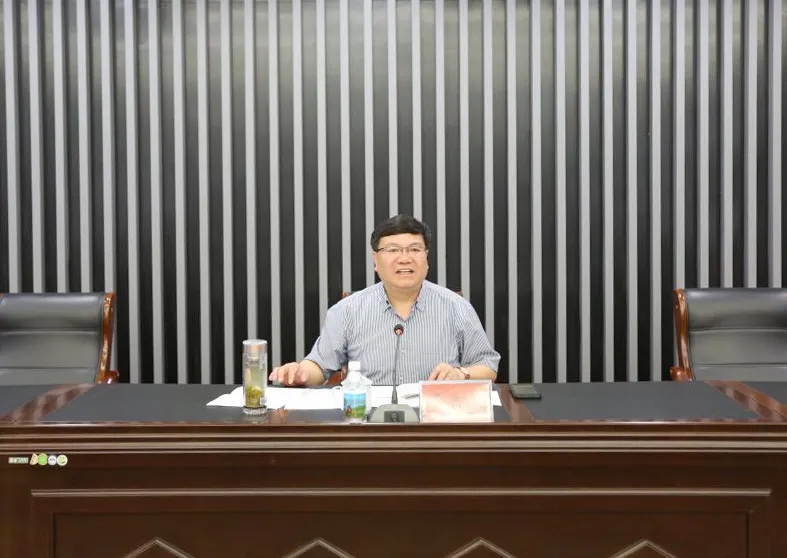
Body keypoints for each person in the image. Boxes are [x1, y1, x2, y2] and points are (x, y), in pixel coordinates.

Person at [269, 214, 501, 386]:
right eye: (393, 250)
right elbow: (320, 365)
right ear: (375, 260)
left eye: (415, 249)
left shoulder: (456, 307)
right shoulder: (347, 311)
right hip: (367, 422)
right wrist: (300, 373)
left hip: (437, 419)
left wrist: (461, 374)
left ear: (426, 258)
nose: (404, 258)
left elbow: (488, 366)